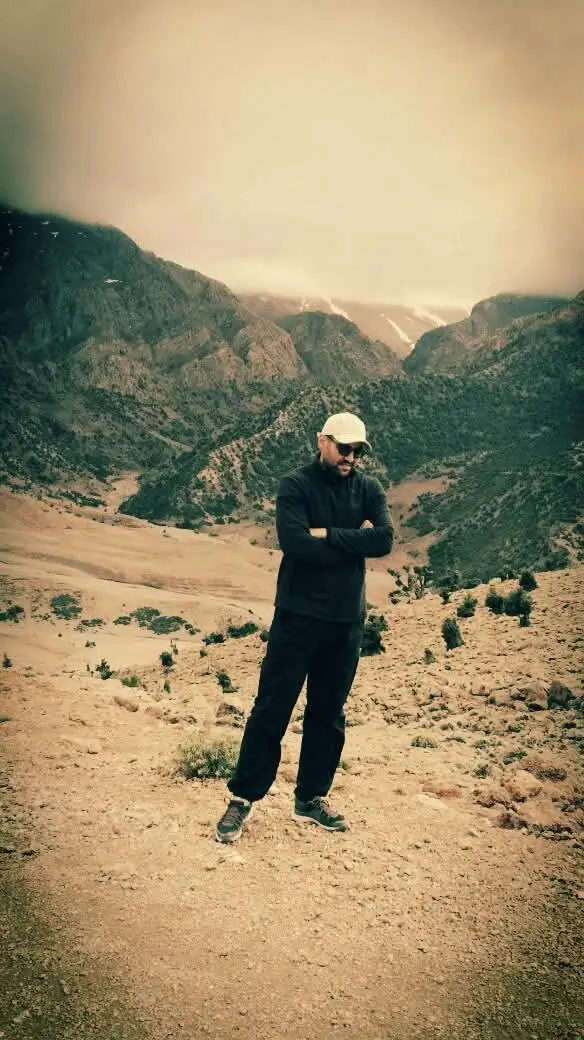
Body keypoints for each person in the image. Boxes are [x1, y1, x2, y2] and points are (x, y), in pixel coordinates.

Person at [215, 411, 393, 843]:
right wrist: (354, 540)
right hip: (297, 617)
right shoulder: (295, 485)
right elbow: (294, 542)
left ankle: (310, 799)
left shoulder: (369, 488)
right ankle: (242, 800)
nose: (350, 456)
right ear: (322, 441)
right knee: (272, 709)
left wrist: (328, 535)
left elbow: (384, 540)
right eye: (343, 447)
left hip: (347, 622)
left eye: (357, 450)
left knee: (327, 715)